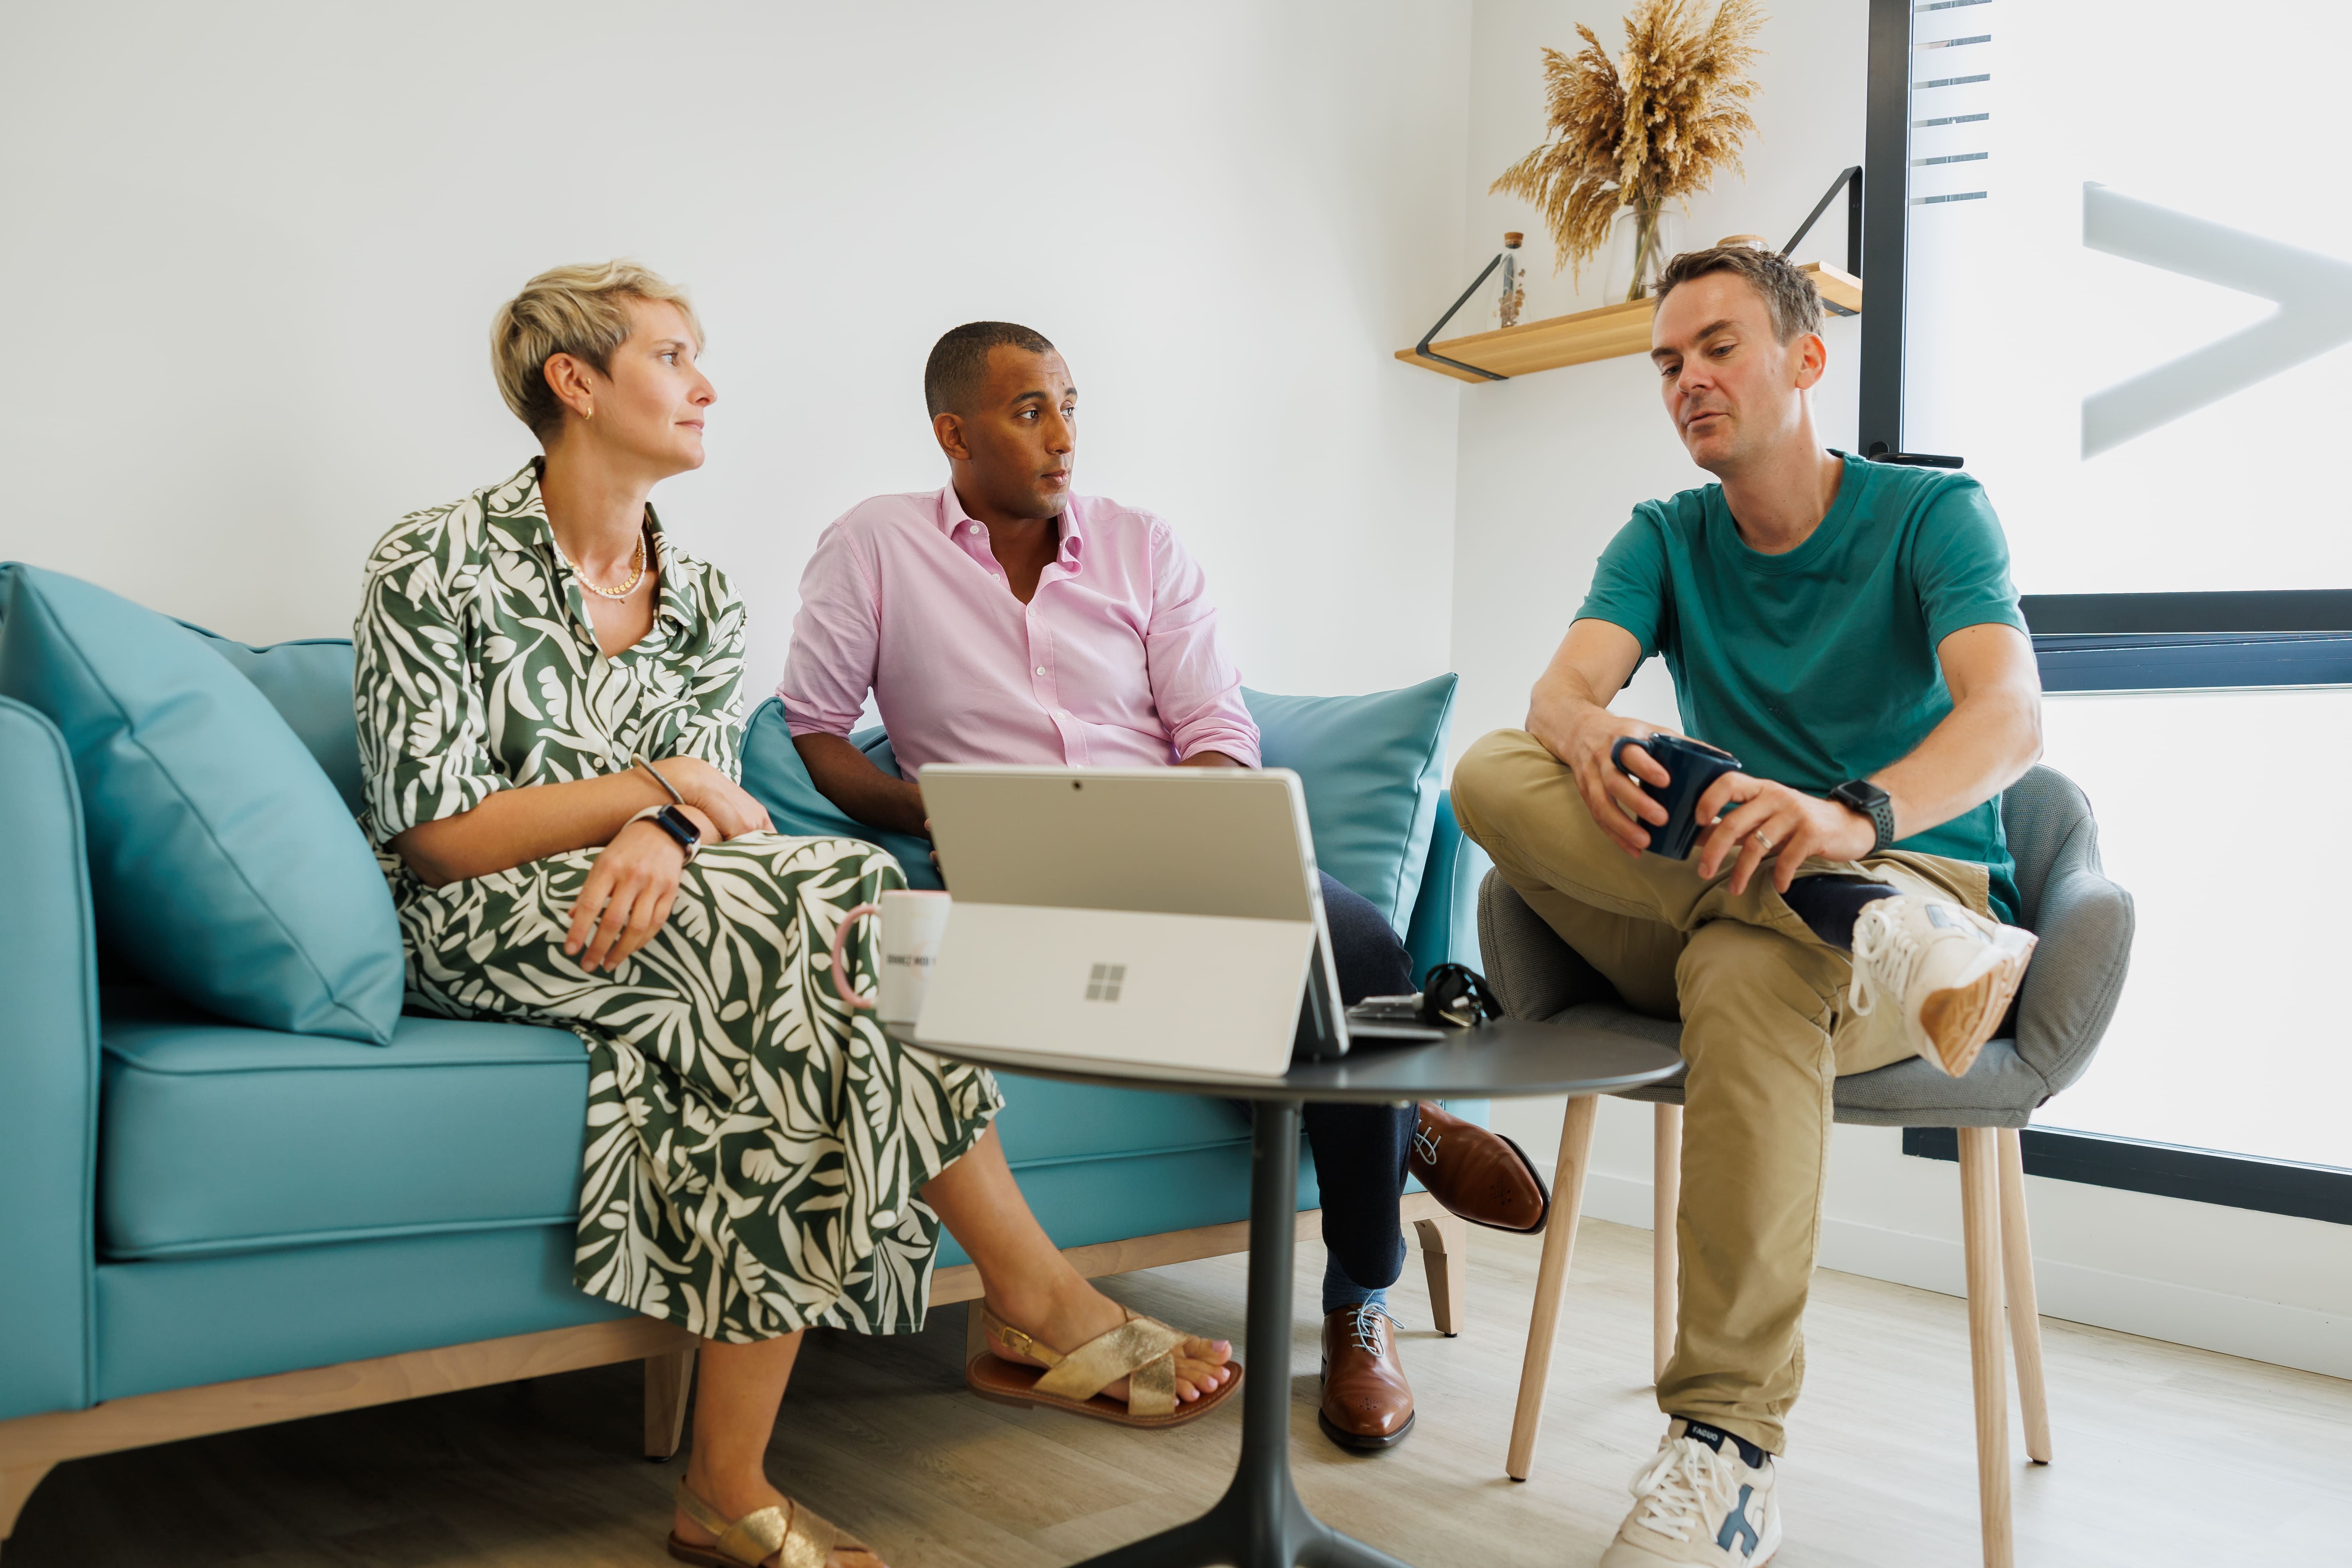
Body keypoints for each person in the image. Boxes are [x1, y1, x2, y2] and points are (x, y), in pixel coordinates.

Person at [353, 266, 1239, 1568]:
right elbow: (435, 834)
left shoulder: (701, 594)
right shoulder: (431, 559)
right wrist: (658, 796)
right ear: (576, 382)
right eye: (672, 357)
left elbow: (716, 810)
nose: (706, 386)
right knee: (832, 913)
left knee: (850, 917)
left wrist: (667, 821)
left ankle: (738, 1478)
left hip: (659, 898)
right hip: (477, 915)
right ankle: (1026, 1299)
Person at [776, 321, 1551, 1454]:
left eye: (1070, 405)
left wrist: (1194, 826)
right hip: (1018, 873)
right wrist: (928, 809)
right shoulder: (874, 546)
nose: (1063, 436)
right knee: (1288, 1017)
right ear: (953, 432)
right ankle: (1404, 1129)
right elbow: (815, 733)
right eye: (1028, 410)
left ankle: (1356, 1305)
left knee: (1363, 959)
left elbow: (1212, 724)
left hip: (1179, 848)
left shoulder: (1145, 546)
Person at [1449, 244, 2043, 1567]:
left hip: (1911, 882)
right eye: (1667, 361)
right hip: (1762, 897)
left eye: (1717, 346)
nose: (1687, 379)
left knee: (1742, 971)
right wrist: (1587, 734)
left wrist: (1854, 820)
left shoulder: (1929, 518)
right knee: (1492, 768)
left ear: (1804, 358)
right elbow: (1553, 698)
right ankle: (1843, 919)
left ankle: (1724, 1453)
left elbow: (2009, 715)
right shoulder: (1663, 537)